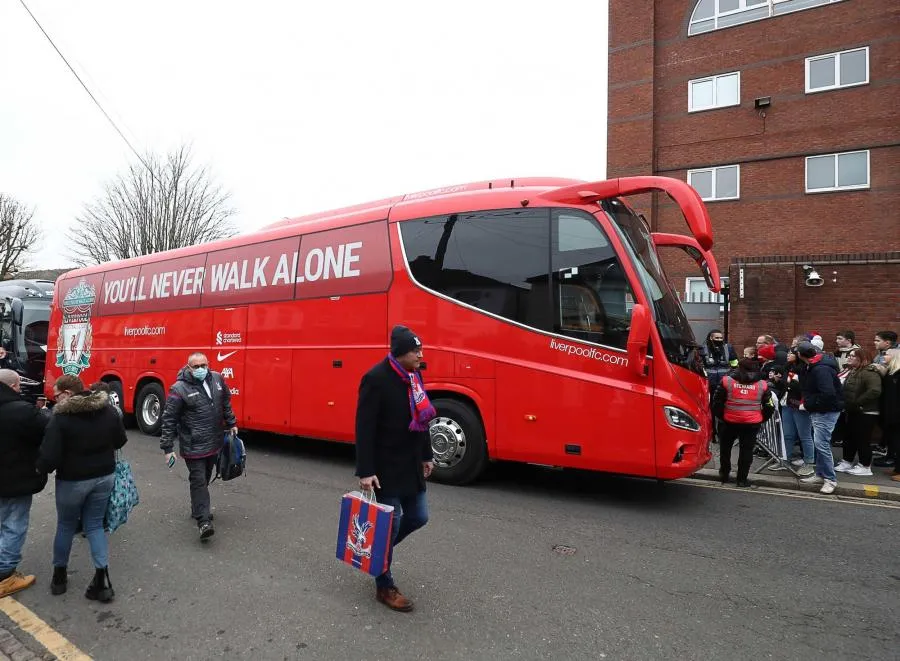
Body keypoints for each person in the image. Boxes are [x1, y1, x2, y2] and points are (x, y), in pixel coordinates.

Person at [355, 325, 436, 612]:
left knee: (419, 516)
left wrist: (427, 455)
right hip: (385, 468)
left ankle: (377, 553)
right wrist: (365, 471)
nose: (421, 355)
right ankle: (384, 584)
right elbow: (364, 429)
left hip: (411, 464)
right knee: (391, 523)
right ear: (401, 353)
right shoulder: (375, 379)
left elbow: (422, 417)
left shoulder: (414, 376)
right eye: (416, 351)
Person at [38, 375, 127, 602]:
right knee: (95, 525)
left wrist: (39, 468)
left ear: (68, 393)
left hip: (73, 479)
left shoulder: (61, 419)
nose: (55, 400)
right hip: (104, 476)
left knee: (66, 525)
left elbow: (49, 457)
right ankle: (102, 579)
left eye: (57, 395)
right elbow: (120, 440)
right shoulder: (107, 411)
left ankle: (59, 577)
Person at [160, 352, 237, 541]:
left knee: (205, 478)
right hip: (193, 445)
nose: (201, 369)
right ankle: (203, 522)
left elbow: (225, 401)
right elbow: (169, 419)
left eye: (203, 365)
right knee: (199, 481)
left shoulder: (217, 379)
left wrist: (231, 422)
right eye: (196, 366)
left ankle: (197, 509)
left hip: (214, 442)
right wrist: (167, 448)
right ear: (188, 368)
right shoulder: (179, 389)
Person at [0, 369, 49, 598]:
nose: (20, 389)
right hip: (16, 479)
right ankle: (5, 575)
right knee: (14, 524)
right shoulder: (22, 411)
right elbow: (46, 430)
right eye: (19, 385)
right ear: (12, 387)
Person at [712, 358, 772, 488]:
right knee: (746, 451)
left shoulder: (727, 381)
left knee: (725, 449)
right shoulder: (762, 384)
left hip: (728, 421)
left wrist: (722, 416)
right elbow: (769, 405)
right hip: (751, 423)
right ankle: (742, 480)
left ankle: (724, 474)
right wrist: (761, 418)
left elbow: (716, 402)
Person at [795, 342, 843, 494]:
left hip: (826, 411)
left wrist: (810, 404)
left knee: (821, 444)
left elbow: (827, 393)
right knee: (820, 443)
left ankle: (830, 479)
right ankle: (821, 474)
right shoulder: (814, 365)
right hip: (823, 410)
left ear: (800, 355)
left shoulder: (821, 369)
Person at [834, 348, 881, 476]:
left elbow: (875, 391)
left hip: (866, 412)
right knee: (849, 437)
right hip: (853, 410)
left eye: (853, 356)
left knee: (862, 439)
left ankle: (865, 466)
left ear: (862, 358)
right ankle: (847, 461)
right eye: (849, 355)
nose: (849, 357)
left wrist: (858, 402)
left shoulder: (869, 372)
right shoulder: (853, 370)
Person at [874, 348, 900, 476]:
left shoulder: (897, 375)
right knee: (893, 442)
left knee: (897, 442)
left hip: (896, 415)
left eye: (887, 354)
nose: (884, 356)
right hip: (889, 414)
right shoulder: (890, 374)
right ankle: (897, 468)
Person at [700, 329, 737, 401]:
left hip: (725, 380)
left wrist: (734, 375)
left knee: (723, 400)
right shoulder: (703, 348)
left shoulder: (728, 348)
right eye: (717, 338)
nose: (719, 340)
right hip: (709, 381)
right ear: (711, 338)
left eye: (721, 338)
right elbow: (700, 364)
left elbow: (734, 362)